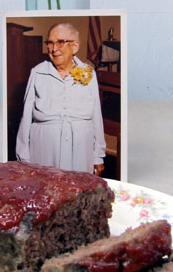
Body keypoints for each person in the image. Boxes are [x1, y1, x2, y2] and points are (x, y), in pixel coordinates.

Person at [16, 22, 106, 175]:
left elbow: (96, 115)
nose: (54, 48)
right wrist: (23, 159)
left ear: (75, 46)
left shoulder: (88, 73)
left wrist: (98, 156)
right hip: (44, 149)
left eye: (60, 42)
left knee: (78, 190)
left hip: (81, 150)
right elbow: (25, 118)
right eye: (50, 43)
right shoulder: (37, 73)